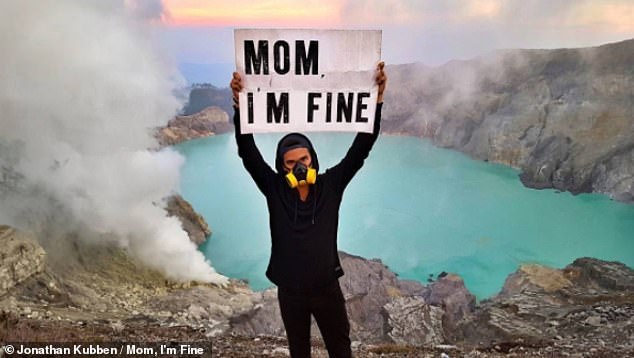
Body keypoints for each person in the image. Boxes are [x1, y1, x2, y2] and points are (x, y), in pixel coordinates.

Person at [230, 62, 387, 358]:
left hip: (327, 288)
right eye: (291, 163)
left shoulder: (331, 185)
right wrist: (240, 106)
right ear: (282, 166)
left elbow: (361, 147)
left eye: (304, 159)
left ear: (313, 159)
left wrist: (376, 101)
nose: (300, 166)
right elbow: (247, 151)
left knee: (340, 350)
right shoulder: (274, 188)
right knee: (298, 352)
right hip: (290, 292)